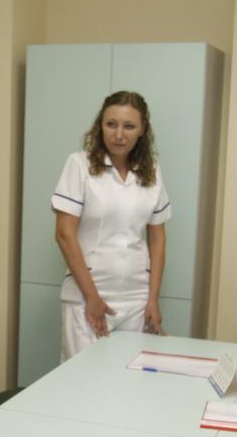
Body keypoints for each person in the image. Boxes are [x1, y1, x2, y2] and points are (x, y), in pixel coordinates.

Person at [53, 90, 171, 360]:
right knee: (83, 379)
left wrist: (152, 299)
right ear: (100, 126)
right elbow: (64, 234)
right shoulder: (79, 165)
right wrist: (92, 298)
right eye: (111, 124)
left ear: (142, 130)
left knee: (130, 379)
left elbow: (157, 239)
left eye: (129, 126)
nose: (119, 134)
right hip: (86, 298)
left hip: (136, 299)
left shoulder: (151, 171)